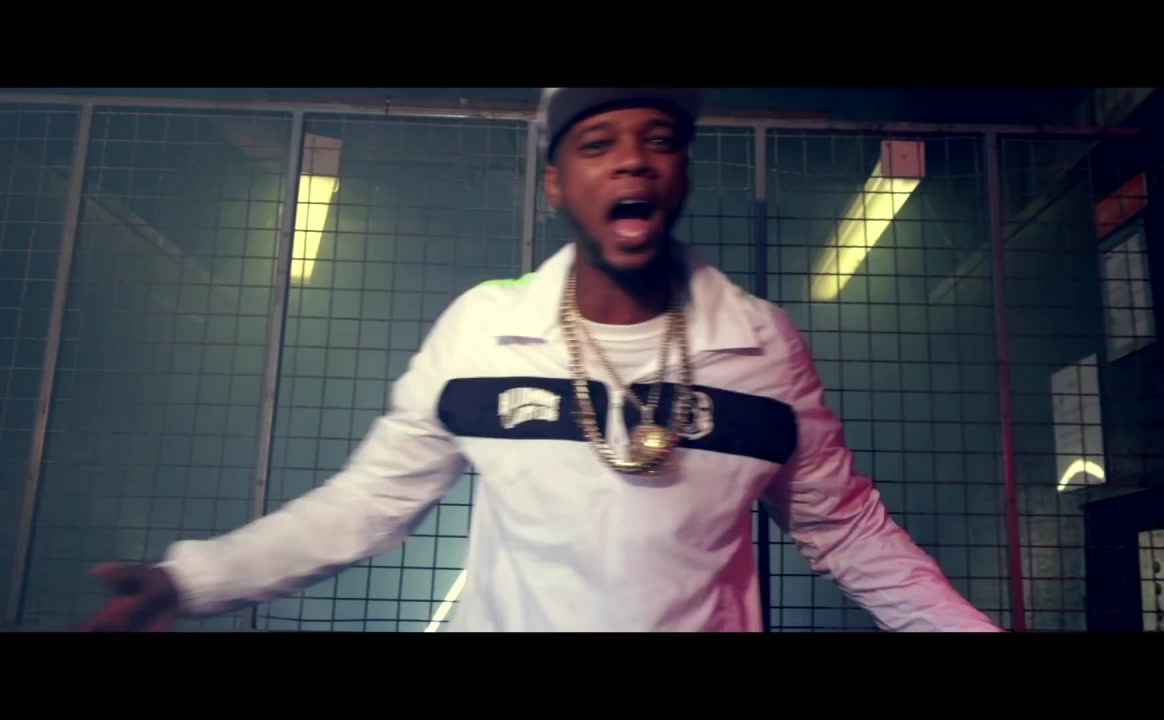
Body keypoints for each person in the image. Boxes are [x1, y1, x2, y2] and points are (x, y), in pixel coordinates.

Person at [82, 87, 1002, 633]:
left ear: (682, 172)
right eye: (598, 144)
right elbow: (364, 505)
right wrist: (188, 579)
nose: (632, 163)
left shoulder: (760, 345)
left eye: (659, 141)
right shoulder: (485, 330)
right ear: (558, 183)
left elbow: (848, 532)